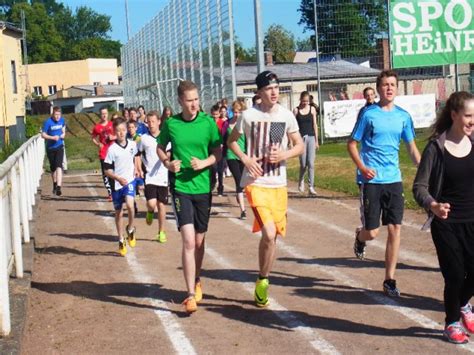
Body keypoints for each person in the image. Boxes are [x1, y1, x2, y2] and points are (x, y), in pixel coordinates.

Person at [227, 71, 304, 307]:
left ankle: (263, 279)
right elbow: (231, 141)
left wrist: (284, 154)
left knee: (272, 238)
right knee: (269, 233)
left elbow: (298, 145)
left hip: (278, 184)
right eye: (269, 88)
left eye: (276, 88)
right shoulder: (248, 116)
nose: (274, 92)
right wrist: (245, 159)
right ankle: (262, 280)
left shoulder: (285, 116)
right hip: (256, 183)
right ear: (259, 92)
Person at [347, 69, 421, 297]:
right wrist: (362, 167)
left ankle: (389, 279)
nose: (389, 88)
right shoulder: (369, 114)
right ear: (378, 88)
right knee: (373, 232)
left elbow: (411, 148)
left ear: (396, 89)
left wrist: (426, 170)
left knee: (395, 228)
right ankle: (360, 237)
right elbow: (352, 144)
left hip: (393, 179)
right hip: (371, 180)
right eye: (385, 84)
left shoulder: (403, 116)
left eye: (393, 85)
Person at [413, 91, 474, 344]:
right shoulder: (436, 147)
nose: (473, 120)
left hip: (472, 221)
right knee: (455, 274)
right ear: (454, 115)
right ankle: (451, 322)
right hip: (446, 222)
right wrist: (433, 205)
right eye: (468, 115)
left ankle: (462, 304)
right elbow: (419, 187)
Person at [157, 80, 221, 313]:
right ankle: (190, 295)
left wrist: (205, 162)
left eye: (196, 99)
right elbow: (160, 146)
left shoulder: (208, 123)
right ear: (180, 101)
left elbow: (217, 151)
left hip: (203, 187)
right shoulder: (172, 124)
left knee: (199, 241)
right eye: (189, 100)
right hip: (180, 187)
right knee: (187, 240)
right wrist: (167, 163)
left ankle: (196, 278)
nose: (194, 104)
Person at [104, 117, 140, 257]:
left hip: (130, 181)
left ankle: (130, 229)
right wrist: (118, 178)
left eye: (123, 130)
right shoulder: (112, 150)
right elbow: (107, 170)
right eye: (118, 131)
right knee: (119, 212)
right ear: (114, 132)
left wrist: (137, 169)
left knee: (130, 206)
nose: (121, 133)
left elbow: (136, 156)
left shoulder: (132, 145)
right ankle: (120, 238)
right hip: (117, 183)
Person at [137, 111, 169, 243]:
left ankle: (161, 232)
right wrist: (138, 168)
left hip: (163, 175)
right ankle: (150, 211)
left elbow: (169, 153)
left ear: (159, 122)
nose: (150, 124)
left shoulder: (166, 137)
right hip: (149, 176)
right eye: (148, 122)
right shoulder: (143, 138)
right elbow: (137, 154)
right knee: (151, 203)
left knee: (161, 205)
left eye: (153, 122)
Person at [223, 100, 247, 219]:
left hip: (243, 155)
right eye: (235, 112)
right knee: (239, 180)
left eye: (240, 112)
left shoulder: (245, 124)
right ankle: (243, 210)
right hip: (231, 155)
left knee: (243, 180)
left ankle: (240, 194)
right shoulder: (227, 124)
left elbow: (248, 141)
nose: (237, 115)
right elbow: (223, 139)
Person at [293, 91, 319, 195]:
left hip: (311, 137)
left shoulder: (312, 109)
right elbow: (293, 127)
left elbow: (315, 125)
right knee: (303, 164)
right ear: (300, 100)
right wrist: (293, 141)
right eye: (303, 101)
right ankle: (301, 181)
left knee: (311, 163)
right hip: (301, 139)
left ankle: (311, 186)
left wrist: (317, 141)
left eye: (307, 101)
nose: (305, 103)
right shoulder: (296, 110)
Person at [91, 106, 115, 201]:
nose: (104, 115)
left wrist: (113, 137)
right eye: (102, 114)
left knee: (114, 172)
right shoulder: (97, 127)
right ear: (100, 115)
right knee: (106, 174)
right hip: (104, 153)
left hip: (113, 152)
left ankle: (116, 191)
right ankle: (110, 193)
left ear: (108, 114)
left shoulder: (112, 124)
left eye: (105, 113)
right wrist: (98, 144)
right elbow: (93, 137)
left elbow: (119, 134)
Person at [41, 106, 66, 196]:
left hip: (59, 146)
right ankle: (54, 183)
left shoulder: (62, 120)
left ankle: (59, 187)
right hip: (50, 148)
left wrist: (63, 135)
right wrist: (52, 137)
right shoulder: (48, 122)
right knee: (53, 168)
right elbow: (43, 134)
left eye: (59, 115)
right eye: (55, 115)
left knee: (59, 166)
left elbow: (63, 130)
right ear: (52, 114)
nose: (57, 117)